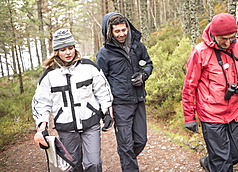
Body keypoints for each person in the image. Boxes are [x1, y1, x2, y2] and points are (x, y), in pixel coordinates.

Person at [32, 28, 114, 172]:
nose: (68, 52)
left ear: (75, 48)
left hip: (90, 123)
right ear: (57, 52)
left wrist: (107, 111)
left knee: (94, 163)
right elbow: (41, 102)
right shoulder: (49, 75)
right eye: (63, 49)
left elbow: (102, 90)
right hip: (66, 127)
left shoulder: (89, 67)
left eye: (70, 48)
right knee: (73, 165)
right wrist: (41, 128)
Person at [182, 13, 238, 172]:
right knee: (223, 163)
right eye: (223, 39)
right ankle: (217, 163)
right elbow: (189, 86)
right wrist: (189, 117)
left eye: (231, 38)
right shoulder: (200, 52)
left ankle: (210, 163)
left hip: (234, 111)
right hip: (211, 114)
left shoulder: (237, 46)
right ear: (214, 34)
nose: (228, 43)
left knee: (237, 154)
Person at [96, 12, 153, 172]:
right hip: (120, 105)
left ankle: (125, 156)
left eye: (124, 30)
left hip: (139, 100)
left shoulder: (137, 46)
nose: (122, 34)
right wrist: (106, 109)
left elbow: (148, 63)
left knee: (141, 140)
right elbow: (100, 83)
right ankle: (128, 162)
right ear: (110, 32)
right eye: (117, 31)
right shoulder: (104, 54)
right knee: (126, 145)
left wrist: (144, 74)